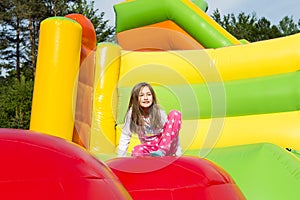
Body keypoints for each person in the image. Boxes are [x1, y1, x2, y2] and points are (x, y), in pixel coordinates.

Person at [118, 82, 182, 157]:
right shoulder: (132, 114)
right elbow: (125, 135)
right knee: (137, 151)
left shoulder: (159, 112)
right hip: (151, 149)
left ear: (153, 97)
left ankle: (162, 151)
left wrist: (178, 154)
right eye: (141, 95)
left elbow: (172, 132)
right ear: (135, 98)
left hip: (167, 146)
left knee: (175, 113)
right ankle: (152, 160)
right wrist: (121, 157)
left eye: (149, 94)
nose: (146, 98)